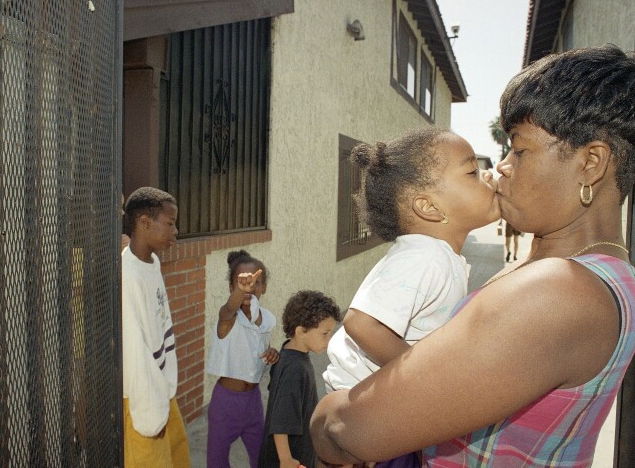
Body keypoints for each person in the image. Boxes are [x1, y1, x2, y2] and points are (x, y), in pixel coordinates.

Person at [310, 45, 635, 467]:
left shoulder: (558, 290)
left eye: (519, 150)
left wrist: (323, 413)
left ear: (591, 163)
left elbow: (345, 432)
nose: (501, 167)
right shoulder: (605, 275)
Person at [322, 129, 500, 466]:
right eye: (472, 172)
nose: (489, 175)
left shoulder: (436, 256)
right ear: (429, 207)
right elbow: (362, 322)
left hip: (382, 409)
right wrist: (424, 375)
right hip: (368, 413)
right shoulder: (424, 257)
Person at [122, 187, 191, 468]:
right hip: (141, 402)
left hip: (161, 389)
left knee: (177, 456)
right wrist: (151, 412)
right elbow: (134, 350)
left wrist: (164, 391)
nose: (175, 231)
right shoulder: (127, 275)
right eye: (171, 223)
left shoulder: (153, 262)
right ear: (144, 223)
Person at [206, 250, 280, 468]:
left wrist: (272, 354)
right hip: (225, 404)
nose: (249, 287)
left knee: (261, 457)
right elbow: (229, 308)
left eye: (255, 282)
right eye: (242, 283)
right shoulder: (227, 319)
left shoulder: (266, 319)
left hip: (253, 402)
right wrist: (240, 292)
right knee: (217, 461)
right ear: (232, 288)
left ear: (264, 287)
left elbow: (258, 351)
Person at [258, 291, 342, 468]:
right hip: (288, 460)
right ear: (301, 331)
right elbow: (280, 421)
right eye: (325, 333)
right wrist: (286, 460)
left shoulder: (289, 353)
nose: (329, 340)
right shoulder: (295, 369)